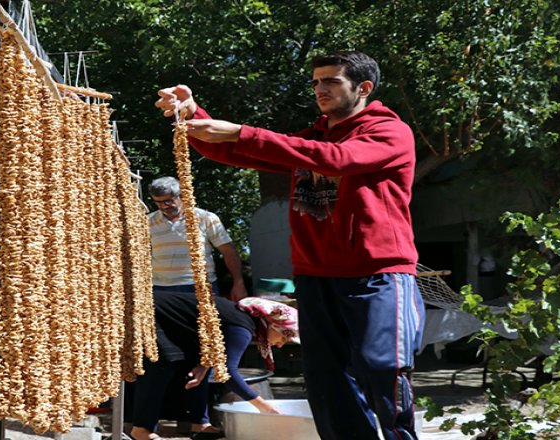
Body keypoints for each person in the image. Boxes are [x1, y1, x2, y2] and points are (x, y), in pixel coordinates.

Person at [154, 51, 425, 440]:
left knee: (382, 367)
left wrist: (242, 132)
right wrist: (193, 114)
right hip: (315, 277)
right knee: (328, 381)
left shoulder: (389, 132)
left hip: (378, 275)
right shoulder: (312, 139)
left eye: (331, 81)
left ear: (364, 88)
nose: (320, 89)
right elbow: (233, 150)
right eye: (316, 81)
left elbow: (337, 159)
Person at [130, 292, 299, 440]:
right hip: (146, 313)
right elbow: (226, 372)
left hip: (163, 318)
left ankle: (199, 424)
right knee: (161, 367)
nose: (280, 345)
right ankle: (141, 430)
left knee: (196, 370)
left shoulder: (243, 321)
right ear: (274, 325)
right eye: (284, 337)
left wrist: (203, 366)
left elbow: (213, 350)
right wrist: (265, 407)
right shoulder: (241, 327)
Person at [147, 176, 247, 301]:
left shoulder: (206, 218)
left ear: (181, 196)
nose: (164, 206)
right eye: (158, 202)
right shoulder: (147, 222)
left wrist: (238, 283)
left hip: (200, 286)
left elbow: (228, 251)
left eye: (168, 201)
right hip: (161, 288)